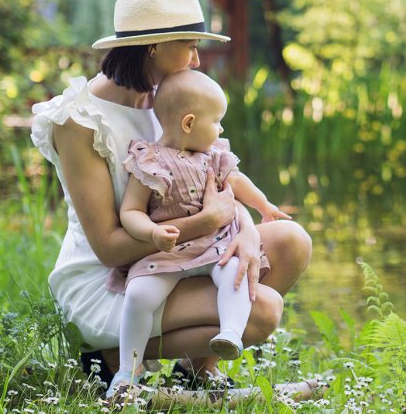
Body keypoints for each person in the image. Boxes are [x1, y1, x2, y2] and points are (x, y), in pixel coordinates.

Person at [30, 0, 311, 388]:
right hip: (111, 278)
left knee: (292, 242)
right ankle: (109, 355)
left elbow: (217, 182)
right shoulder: (79, 121)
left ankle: (195, 374)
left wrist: (247, 230)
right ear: (153, 47)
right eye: (190, 45)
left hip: (186, 252)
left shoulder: (176, 98)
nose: (196, 59)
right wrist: (204, 223)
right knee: (264, 310)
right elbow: (109, 248)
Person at [105, 69, 289, 396]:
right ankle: (126, 372)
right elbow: (130, 210)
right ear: (189, 123)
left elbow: (239, 183)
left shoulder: (213, 155)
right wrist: (151, 233)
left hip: (216, 245)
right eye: (217, 121)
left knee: (234, 273)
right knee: (139, 295)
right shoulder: (148, 161)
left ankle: (230, 334)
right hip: (168, 251)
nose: (221, 128)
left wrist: (264, 206)